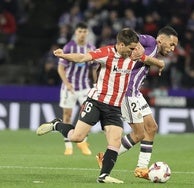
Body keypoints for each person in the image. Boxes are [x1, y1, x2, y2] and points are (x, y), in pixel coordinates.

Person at [36, 28, 165, 184]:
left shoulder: (133, 55)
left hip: (114, 107)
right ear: (121, 45)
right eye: (131, 48)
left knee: (115, 142)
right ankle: (56, 124)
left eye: (136, 48)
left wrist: (150, 59)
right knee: (77, 137)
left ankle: (103, 176)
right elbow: (82, 57)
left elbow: (152, 61)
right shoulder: (107, 53)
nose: (134, 52)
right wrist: (64, 55)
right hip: (96, 102)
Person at [96, 26, 178, 179]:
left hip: (135, 93)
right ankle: (106, 158)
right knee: (140, 133)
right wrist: (153, 60)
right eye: (171, 44)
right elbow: (129, 35)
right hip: (127, 92)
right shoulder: (151, 41)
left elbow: (143, 57)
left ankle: (141, 168)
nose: (173, 49)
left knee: (152, 127)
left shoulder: (152, 50)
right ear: (162, 40)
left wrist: (154, 61)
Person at [57, 22, 97, 155]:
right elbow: (61, 68)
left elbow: (94, 69)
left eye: (84, 31)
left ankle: (83, 142)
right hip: (70, 87)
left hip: (85, 87)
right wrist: (67, 83)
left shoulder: (91, 48)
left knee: (89, 116)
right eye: (80, 31)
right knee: (67, 116)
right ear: (76, 32)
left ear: (87, 33)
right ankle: (68, 146)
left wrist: (96, 84)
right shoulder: (69, 47)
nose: (82, 34)